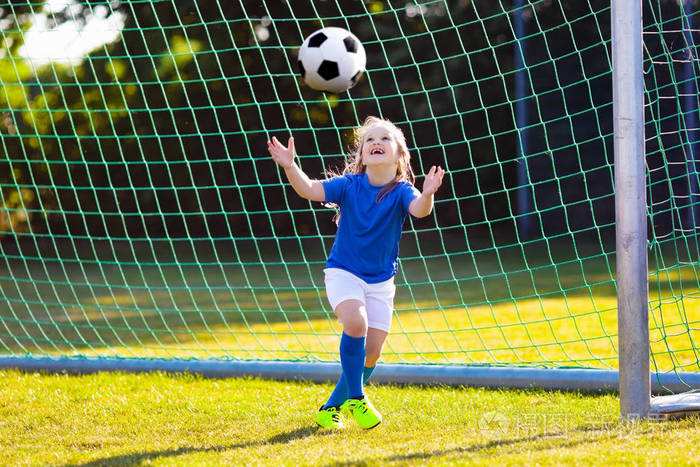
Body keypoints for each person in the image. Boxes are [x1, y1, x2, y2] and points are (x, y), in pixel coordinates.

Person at [267, 116, 445, 429]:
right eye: (369, 140)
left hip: (381, 282)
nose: (376, 143)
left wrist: (428, 192)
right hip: (343, 272)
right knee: (355, 323)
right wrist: (290, 166)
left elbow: (420, 210)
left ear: (400, 156)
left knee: (372, 354)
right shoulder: (349, 186)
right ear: (361, 155)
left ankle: (330, 408)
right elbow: (309, 189)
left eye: (384, 139)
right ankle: (358, 398)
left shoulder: (403, 190)